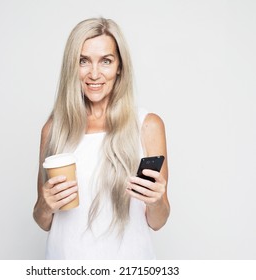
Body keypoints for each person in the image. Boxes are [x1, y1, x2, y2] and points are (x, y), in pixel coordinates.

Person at [33, 17, 170, 259]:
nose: (94, 74)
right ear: (71, 67)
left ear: (119, 67)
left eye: (105, 61)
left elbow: (158, 221)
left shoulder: (147, 125)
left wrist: (156, 200)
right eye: (83, 61)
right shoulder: (54, 129)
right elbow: (43, 221)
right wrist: (46, 204)